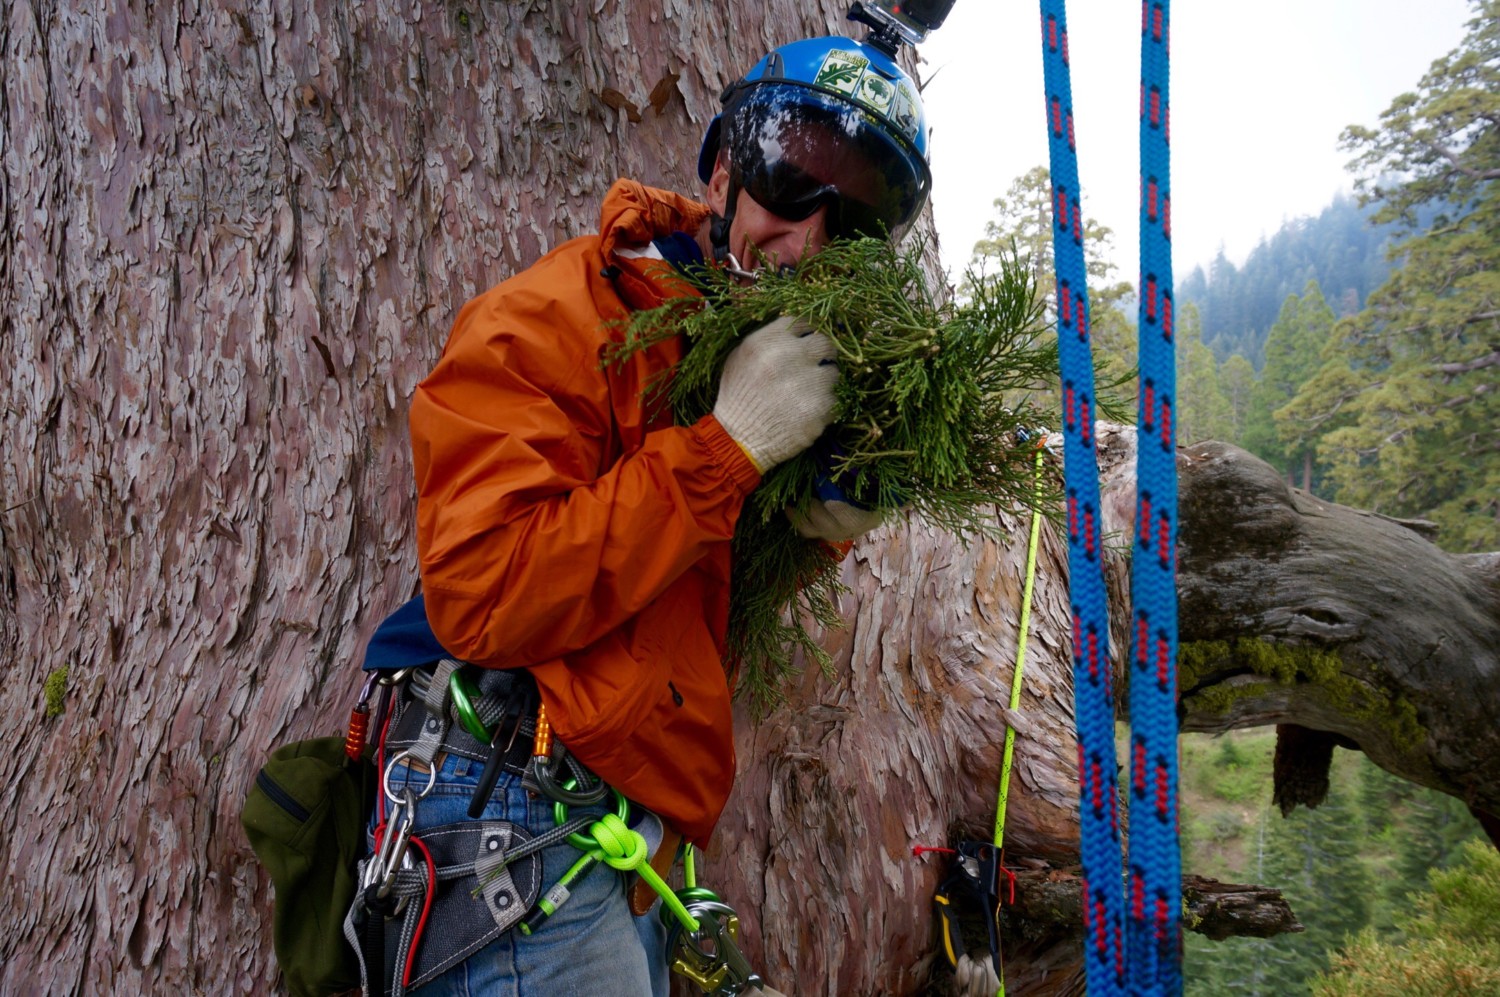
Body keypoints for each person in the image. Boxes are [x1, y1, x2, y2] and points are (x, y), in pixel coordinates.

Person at [360, 31, 932, 996]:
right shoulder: (556, 319)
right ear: (723, 174)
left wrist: (809, 536)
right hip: (506, 814)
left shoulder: (739, 355)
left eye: (860, 220)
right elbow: (482, 587)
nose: (811, 241)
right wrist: (727, 450)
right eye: (793, 180)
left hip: (615, 843)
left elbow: (662, 599)